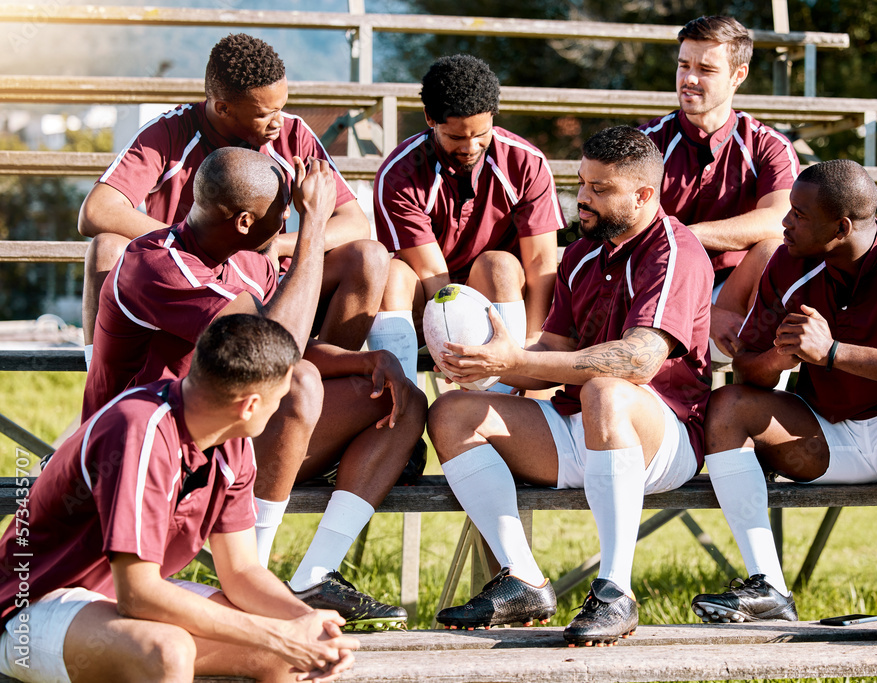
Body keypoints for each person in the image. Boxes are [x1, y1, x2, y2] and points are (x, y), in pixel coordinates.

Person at [84, 146, 427, 627]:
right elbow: (275, 350)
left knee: (402, 400)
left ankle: (314, 575)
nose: (288, 219)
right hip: (148, 455)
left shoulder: (246, 259)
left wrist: (367, 359)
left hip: (227, 436)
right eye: (283, 211)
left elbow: (289, 343)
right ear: (245, 221)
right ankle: (252, 577)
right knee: (298, 383)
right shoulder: (158, 266)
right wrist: (313, 226)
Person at [426, 126, 712, 646]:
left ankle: (615, 590)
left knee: (607, 389)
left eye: (599, 189)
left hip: (663, 438)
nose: (582, 197)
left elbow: (639, 360)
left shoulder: (675, 251)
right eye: (581, 182)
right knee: (450, 412)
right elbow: (550, 354)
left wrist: (514, 357)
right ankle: (523, 578)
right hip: (580, 421)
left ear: (643, 195)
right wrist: (487, 366)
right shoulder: (580, 253)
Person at [692, 160, 877, 642]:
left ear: (842, 227)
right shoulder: (787, 261)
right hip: (825, 438)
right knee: (727, 405)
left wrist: (833, 353)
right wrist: (779, 359)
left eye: (799, 215)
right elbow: (748, 368)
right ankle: (768, 588)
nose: (784, 223)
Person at [0, 314, 360, 683]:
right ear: (250, 405)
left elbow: (242, 571)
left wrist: (305, 623)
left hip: (119, 595)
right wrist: (279, 635)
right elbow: (138, 594)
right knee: (168, 651)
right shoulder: (138, 431)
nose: (280, 408)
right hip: (30, 606)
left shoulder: (232, 441)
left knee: (292, 657)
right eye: (280, 398)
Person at [78, 32, 387, 357]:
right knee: (106, 247)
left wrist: (275, 246)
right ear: (223, 108)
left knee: (369, 257)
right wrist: (198, 244)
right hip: (187, 280)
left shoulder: (293, 133)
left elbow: (354, 223)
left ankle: (324, 380)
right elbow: (97, 211)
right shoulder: (170, 132)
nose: (279, 121)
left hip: (268, 279)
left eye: (282, 107)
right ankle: (102, 380)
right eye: (265, 113)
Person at [370, 54, 565, 386]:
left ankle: (503, 393)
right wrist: (449, 342)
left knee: (499, 265)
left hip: (498, 291)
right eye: (456, 137)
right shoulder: (399, 174)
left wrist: (533, 346)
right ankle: (399, 400)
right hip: (431, 297)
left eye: (481, 133)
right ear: (430, 118)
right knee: (392, 275)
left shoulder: (526, 163)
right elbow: (433, 276)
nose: (471, 147)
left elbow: (540, 263)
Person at [639, 15, 799, 362]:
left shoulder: (769, 145)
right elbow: (626, 241)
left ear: (738, 75)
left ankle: (757, 384)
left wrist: (689, 233)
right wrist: (706, 314)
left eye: (706, 69)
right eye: (684, 65)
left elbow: (779, 220)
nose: (689, 78)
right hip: (658, 295)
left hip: (735, 300)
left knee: (776, 250)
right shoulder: (644, 145)